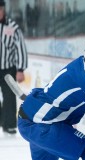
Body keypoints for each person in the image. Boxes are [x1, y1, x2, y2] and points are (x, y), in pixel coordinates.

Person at [0, 0, 27, 134]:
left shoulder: (12, 27)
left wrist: (20, 69)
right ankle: (2, 120)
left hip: (7, 69)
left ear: (3, 10)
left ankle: (9, 124)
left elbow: (20, 47)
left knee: (9, 96)